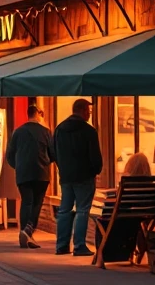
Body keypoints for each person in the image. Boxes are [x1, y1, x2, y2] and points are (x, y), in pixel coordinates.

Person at [52, 98, 102, 256]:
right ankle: (79, 245)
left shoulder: (60, 129)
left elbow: (52, 152)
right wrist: (95, 170)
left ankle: (62, 245)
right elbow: (95, 156)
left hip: (66, 177)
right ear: (81, 110)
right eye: (88, 111)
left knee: (64, 210)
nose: (89, 114)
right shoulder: (89, 131)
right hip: (84, 176)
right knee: (82, 210)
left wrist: (62, 167)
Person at [6, 105, 53, 249]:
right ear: (38, 114)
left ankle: (24, 232)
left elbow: (9, 155)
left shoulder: (18, 132)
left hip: (23, 173)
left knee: (26, 201)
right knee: (37, 203)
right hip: (41, 173)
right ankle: (29, 231)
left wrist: (18, 166)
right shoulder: (46, 132)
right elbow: (52, 153)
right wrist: (46, 162)